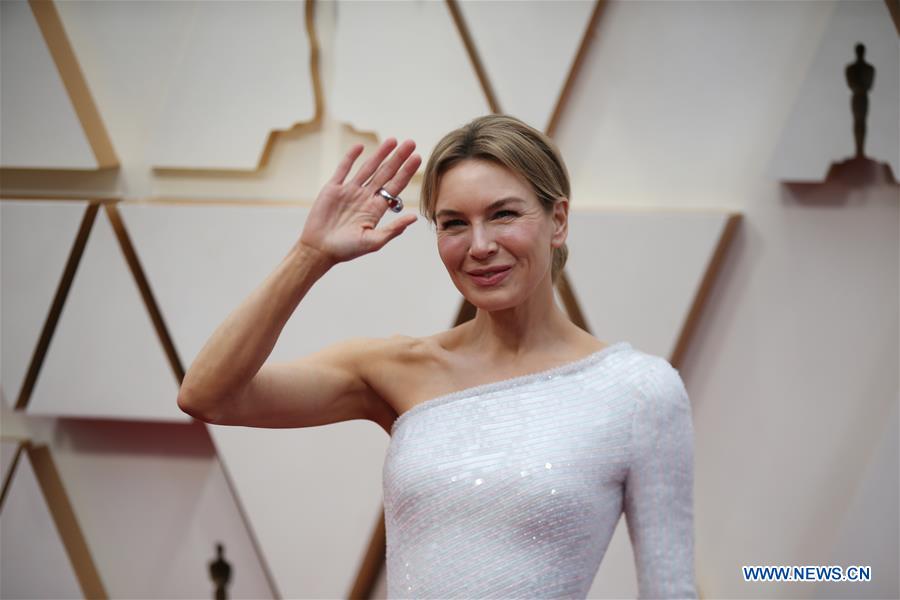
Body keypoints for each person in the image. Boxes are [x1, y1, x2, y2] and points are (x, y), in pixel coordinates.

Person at [177, 114, 696, 599]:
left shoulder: (637, 390)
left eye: (504, 215)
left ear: (557, 220)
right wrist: (310, 256)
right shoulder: (396, 368)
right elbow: (209, 396)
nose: (480, 245)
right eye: (452, 224)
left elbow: (670, 588)